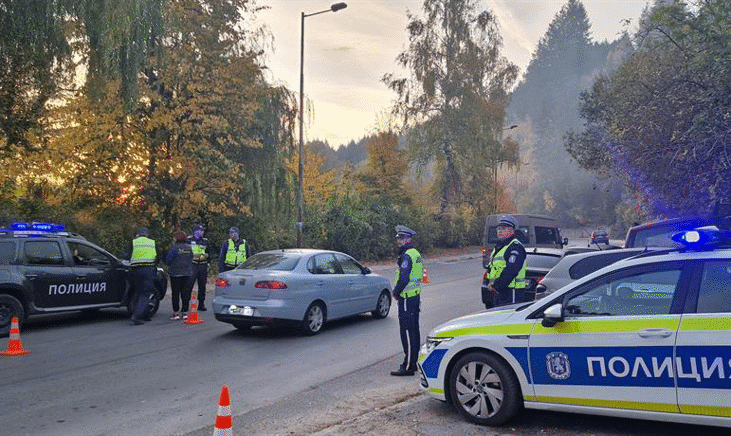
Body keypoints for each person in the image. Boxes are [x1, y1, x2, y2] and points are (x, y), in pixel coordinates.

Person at [390, 225, 423, 376]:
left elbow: (404, 278)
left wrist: (396, 292)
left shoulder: (407, 255)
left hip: (406, 298)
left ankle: (408, 365)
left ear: (408, 239)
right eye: (399, 239)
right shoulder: (415, 253)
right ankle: (413, 361)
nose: (400, 241)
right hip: (414, 297)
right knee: (414, 330)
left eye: (402, 239)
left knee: (407, 331)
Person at [484, 214, 528, 308]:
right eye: (498, 228)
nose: (500, 231)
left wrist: (497, 286)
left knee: (509, 320)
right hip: (499, 292)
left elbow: (511, 270)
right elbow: (491, 268)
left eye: (503, 228)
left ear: (512, 230)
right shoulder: (499, 247)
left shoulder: (515, 247)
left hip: (512, 292)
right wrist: (488, 282)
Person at [129, 228, 159, 325]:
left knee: (138, 292)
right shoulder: (152, 242)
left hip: (136, 270)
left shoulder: (134, 242)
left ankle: (144, 314)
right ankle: (137, 316)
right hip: (148, 270)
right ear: (147, 234)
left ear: (138, 234)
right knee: (146, 294)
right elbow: (158, 256)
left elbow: (126, 254)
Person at [167, 230, 193, 320]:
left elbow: (168, 260)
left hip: (175, 274)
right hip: (187, 273)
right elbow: (191, 258)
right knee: (185, 293)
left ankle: (176, 313)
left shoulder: (174, 248)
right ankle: (185, 312)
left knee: (175, 294)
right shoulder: (189, 248)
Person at [187, 225, 211, 311]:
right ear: (196, 231)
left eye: (203, 231)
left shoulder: (205, 241)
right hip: (192, 264)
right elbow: (185, 251)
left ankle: (201, 304)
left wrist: (208, 256)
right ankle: (186, 303)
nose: (202, 233)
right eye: (201, 231)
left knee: (202, 285)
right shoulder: (189, 240)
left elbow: (210, 252)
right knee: (189, 284)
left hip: (202, 264)